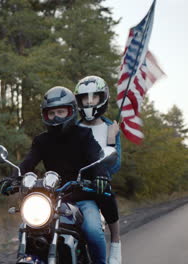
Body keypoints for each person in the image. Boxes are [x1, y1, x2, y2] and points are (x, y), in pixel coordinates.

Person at [0, 86, 109, 264]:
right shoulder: (42, 140)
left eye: (61, 111)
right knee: (26, 228)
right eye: (51, 113)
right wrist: (13, 179)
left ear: (71, 111)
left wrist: (101, 176)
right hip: (52, 199)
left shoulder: (84, 135)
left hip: (82, 197)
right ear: (45, 115)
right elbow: (27, 163)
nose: (56, 117)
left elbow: (96, 157)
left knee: (93, 231)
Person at [74, 75, 122, 264]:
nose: (89, 102)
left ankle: (116, 241)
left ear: (102, 99)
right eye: (85, 98)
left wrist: (111, 140)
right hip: (74, 185)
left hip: (99, 186)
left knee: (93, 229)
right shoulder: (74, 127)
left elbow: (115, 165)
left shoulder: (111, 127)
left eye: (94, 97)